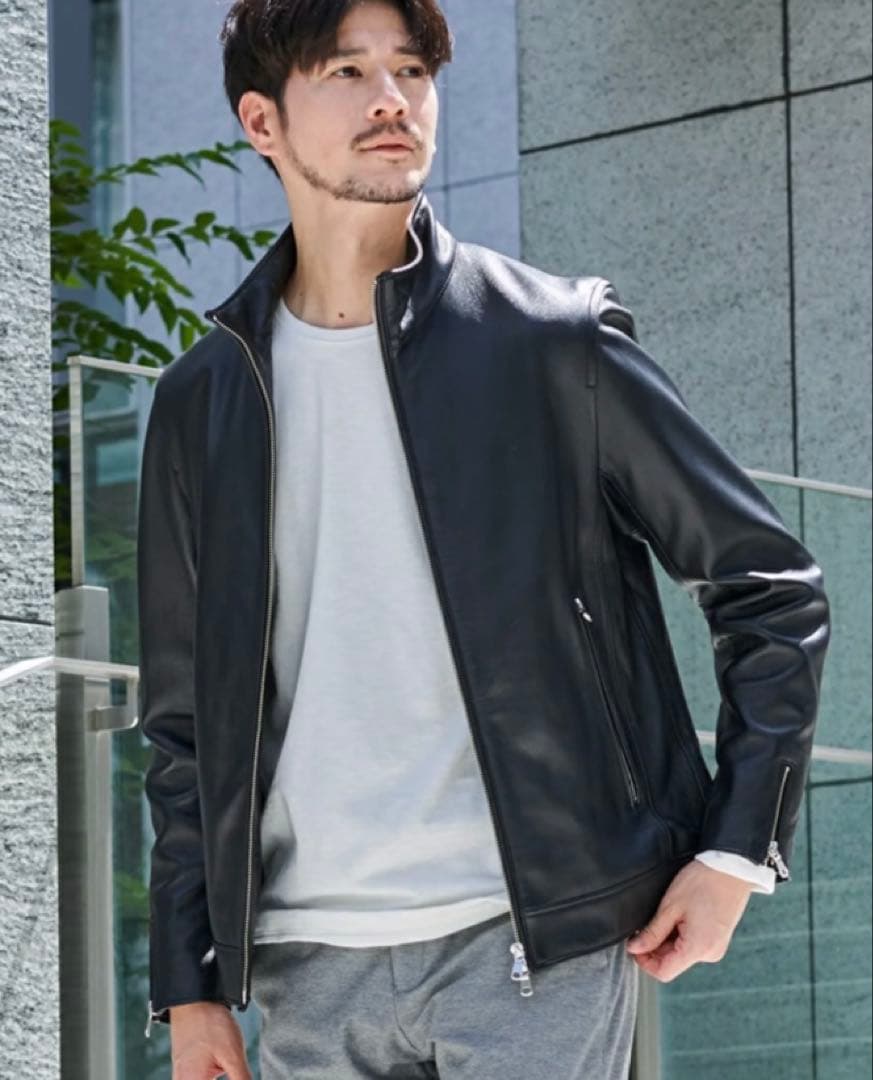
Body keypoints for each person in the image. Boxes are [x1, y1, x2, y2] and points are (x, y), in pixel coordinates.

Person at [135, 1, 831, 1077]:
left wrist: (738, 846)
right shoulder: (204, 401)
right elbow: (185, 724)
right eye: (347, 71)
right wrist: (191, 986)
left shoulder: (548, 341)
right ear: (261, 121)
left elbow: (768, 583)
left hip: (532, 940)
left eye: (412, 70)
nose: (392, 100)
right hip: (304, 965)